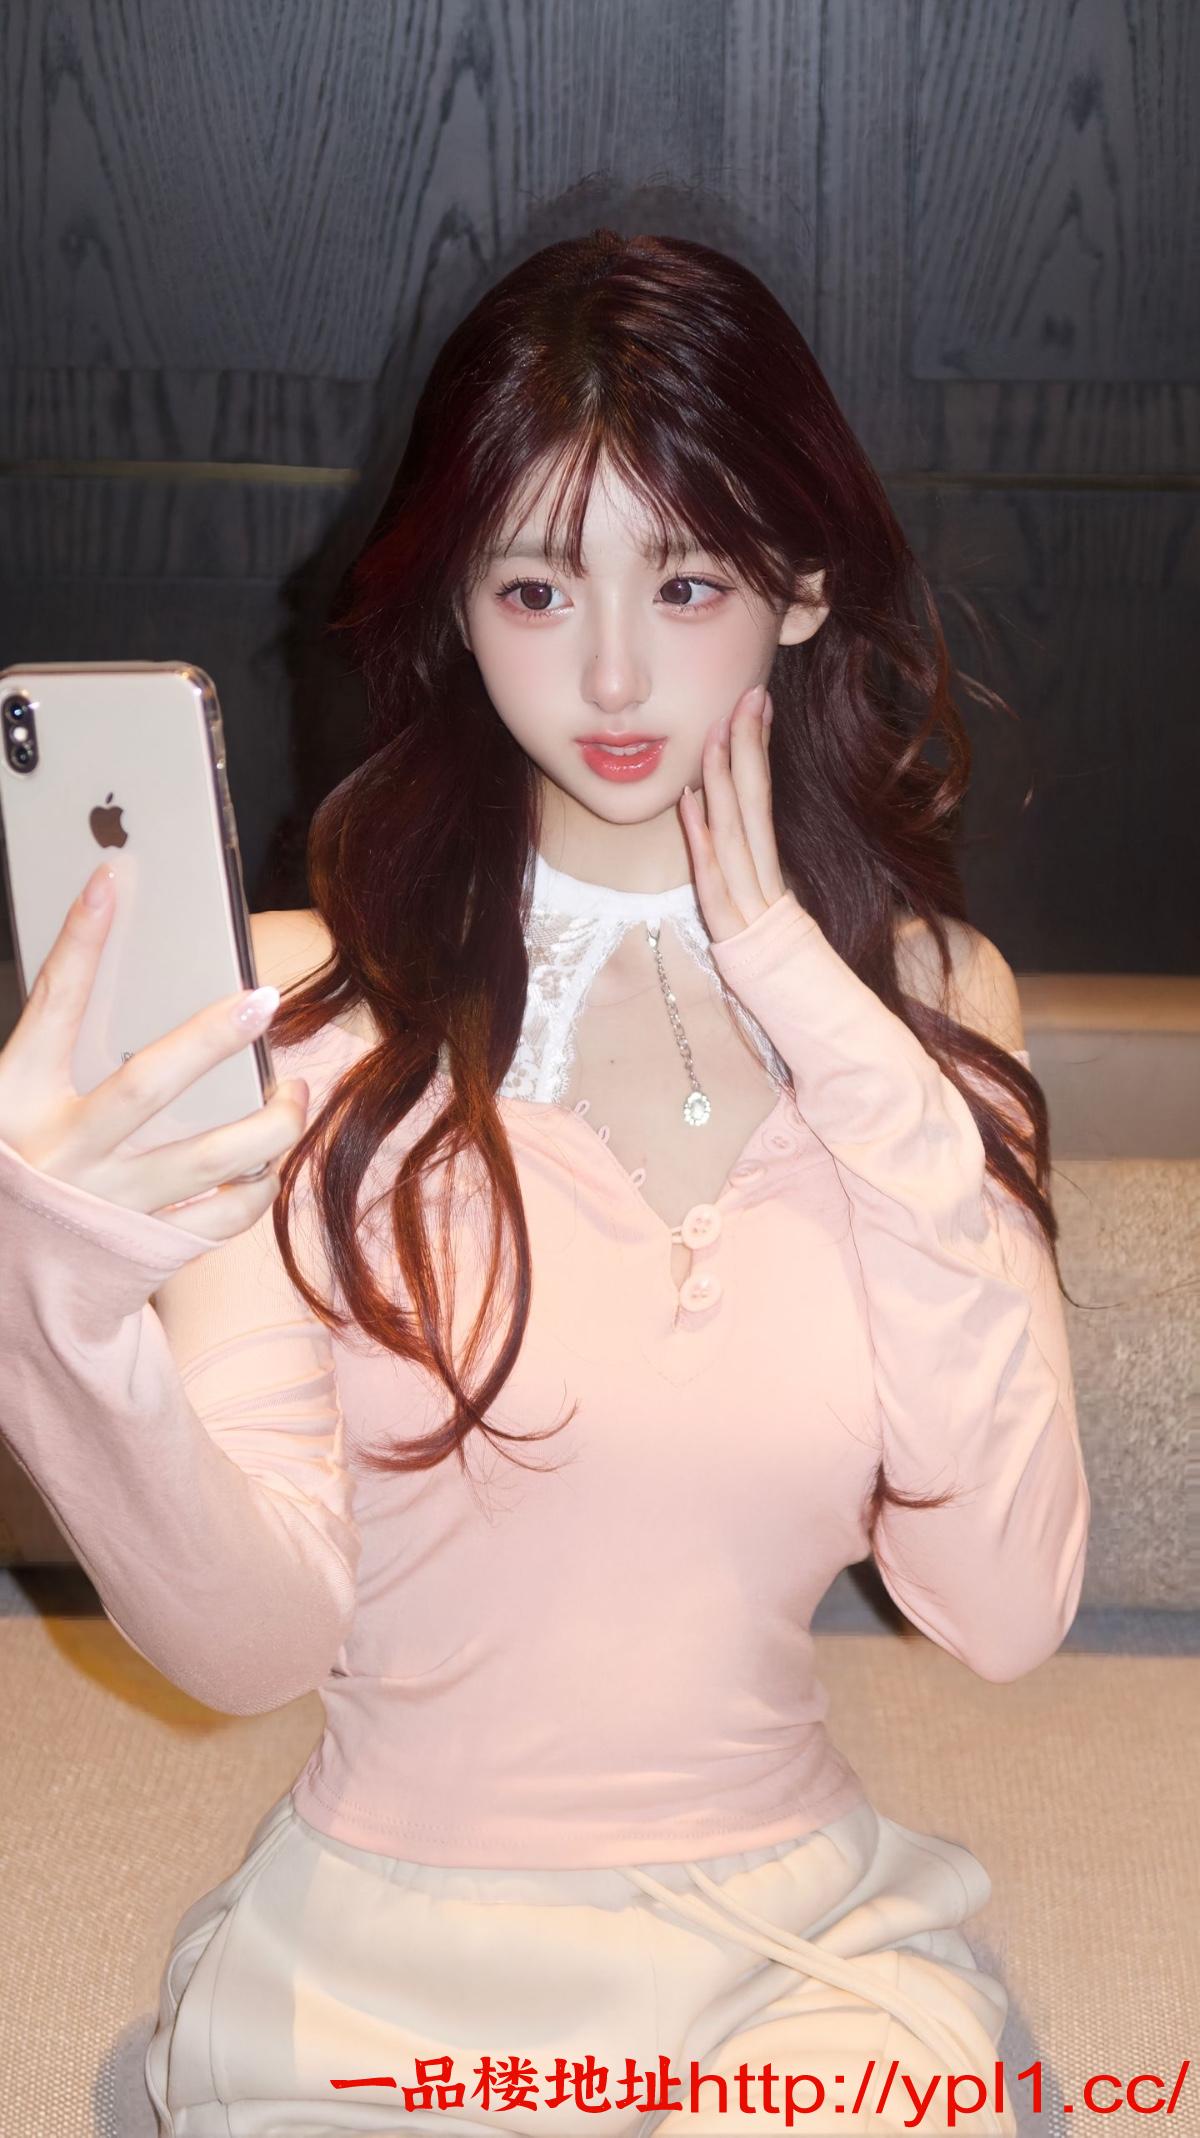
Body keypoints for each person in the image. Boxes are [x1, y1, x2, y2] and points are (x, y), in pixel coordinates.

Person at [0, 229, 1089, 2136]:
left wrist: (828, 1024)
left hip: (791, 1965)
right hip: (384, 1969)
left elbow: (1002, 1604)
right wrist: (54, 1316)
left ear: (802, 588)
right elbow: (255, 1642)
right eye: (532, 584)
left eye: (685, 579)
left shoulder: (928, 1002)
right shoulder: (294, 1015)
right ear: (456, 601)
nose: (607, 670)